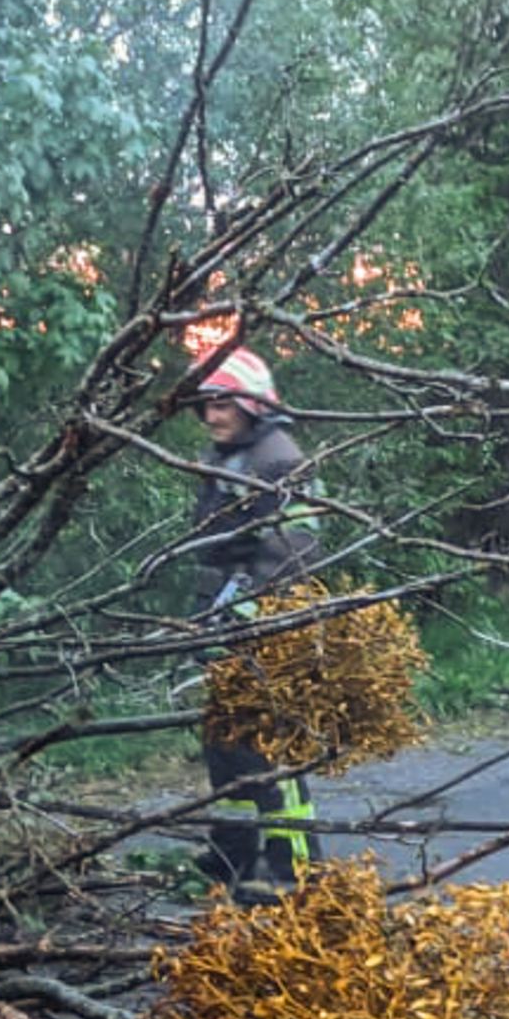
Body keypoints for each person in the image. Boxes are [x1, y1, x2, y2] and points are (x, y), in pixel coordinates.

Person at [186, 347, 325, 895]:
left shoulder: (279, 460)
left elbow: (294, 550)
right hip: (221, 617)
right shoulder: (227, 456)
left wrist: (246, 614)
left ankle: (292, 866)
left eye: (222, 405)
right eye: (206, 406)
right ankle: (234, 852)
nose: (212, 416)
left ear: (253, 405)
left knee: (269, 744)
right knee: (226, 742)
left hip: (266, 625)